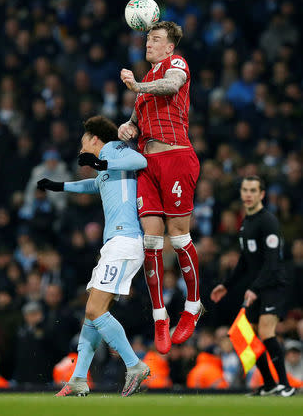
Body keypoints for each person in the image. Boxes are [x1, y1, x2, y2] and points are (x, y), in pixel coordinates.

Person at [37, 115, 150, 397]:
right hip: (115, 244)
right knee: (92, 316)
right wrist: (59, 186)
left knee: (94, 310)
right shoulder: (106, 168)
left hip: (124, 240)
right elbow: (95, 184)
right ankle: (78, 378)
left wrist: (101, 163)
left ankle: (134, 364)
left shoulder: (115, 150)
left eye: (83, 143)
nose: (80, 149)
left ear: (95, 140)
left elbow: (141, 162)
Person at [118, 21, 204, 355]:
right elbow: (136, 121)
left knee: (179, 237)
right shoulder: (144, 89)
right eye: (148, 39)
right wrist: (127, 127)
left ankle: (193, 305)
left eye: (156, 40)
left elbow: (172, 85)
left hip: (176, 157)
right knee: (151, 239)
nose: (149, 44)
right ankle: (159, 315)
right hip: (146, 164)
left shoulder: (175, 64)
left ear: (170, 47)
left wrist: (138, 85)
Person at [210, 176, 295, 397]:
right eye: (245, 190)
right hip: (258, 287)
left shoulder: (268, 221)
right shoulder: (246, 223)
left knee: (266, 332)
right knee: (243, 335)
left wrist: (255, 288)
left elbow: (272, 261)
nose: (248, 194)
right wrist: (226, 285)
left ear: (262, 195)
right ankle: (268, 385)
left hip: (274, 285)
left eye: (253, 190)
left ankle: (285, 385)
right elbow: (245, 262)